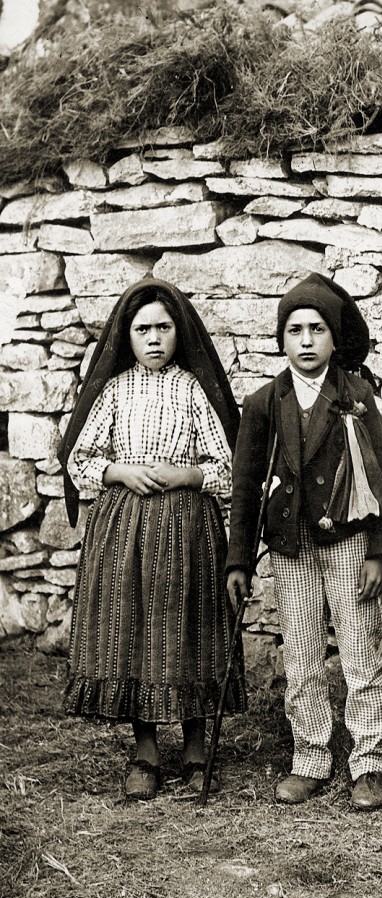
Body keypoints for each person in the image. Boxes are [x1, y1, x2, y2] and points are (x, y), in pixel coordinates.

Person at [58, 279, 246, 801]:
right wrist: (119, 471)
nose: (155, 338)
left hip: (187, 526)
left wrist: (185, 476)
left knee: (187, 627)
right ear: (128, 336)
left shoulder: (192, 389)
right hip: (125, 526)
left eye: (164, 327)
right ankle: (144, 750)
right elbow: (80, 460)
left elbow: (227, 467)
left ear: (178, 332)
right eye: (143, 329)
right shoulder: (115, 390)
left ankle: (193, 744)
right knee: (133, 628)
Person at [226, 273, 382, 810]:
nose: (306, 340)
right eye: (295, 329)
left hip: (347, 541)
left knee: (358, 648)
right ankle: (310, 756)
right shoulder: (263, 402)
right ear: (282, 338)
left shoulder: (356, 395)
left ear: (333, 338)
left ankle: (369, 761)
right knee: (300, 652)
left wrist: (379, 548)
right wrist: (239, 559)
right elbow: (246, 483)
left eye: (317, 329)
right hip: (290, 544)